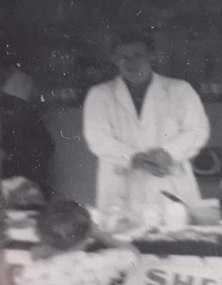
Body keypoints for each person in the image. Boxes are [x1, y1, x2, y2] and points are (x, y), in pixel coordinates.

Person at [83, 30, 210, 212]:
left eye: (137, 55)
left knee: (177, 234)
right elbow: (97, 138)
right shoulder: (100, 94)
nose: (130, 62)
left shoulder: (179, 89)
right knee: (124, 234)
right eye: (123, 57)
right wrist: (134, 158)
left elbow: (197, 129)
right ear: (114, 59)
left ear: (151, 56)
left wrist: (168, 153)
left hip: (169, 180)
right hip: (122, 185)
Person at [19, 199, 139, 285]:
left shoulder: (35, 272)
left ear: (40, 236)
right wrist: (100, 234)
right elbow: (133, 253)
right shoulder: (101, 263)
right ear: (88, 234)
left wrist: (42, 255)